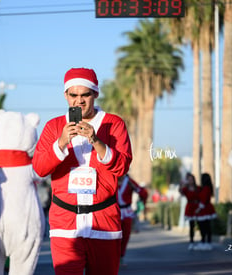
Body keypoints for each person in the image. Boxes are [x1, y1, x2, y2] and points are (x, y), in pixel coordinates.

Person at [32, 67, 133, 275]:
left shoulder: (114, 124)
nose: (79, 101)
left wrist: (96, 141)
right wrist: (61, 143)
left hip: (104, 222)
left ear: (95, 93)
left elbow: (122, 167)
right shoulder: (54, 126)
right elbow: (39, 168)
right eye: (73, 95)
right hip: (65, 223)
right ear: (65, 96)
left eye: (85, 94)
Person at [117, 174, 148, 266]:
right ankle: (113, 258)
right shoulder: (112, 178)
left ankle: (121, 257)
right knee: (113, 236)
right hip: (114, 211)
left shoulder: (129, 181)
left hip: (126, 212)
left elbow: (143, 193)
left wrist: (142, 202)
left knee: (125, 235)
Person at [194, 173, 217, 251]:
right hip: (206, 209)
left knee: (204, 227)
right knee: (206, 227)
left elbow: (204, 200)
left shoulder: (206, 188)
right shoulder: (206, 188)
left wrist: (198, 209)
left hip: (204, 210)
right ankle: (205, 242)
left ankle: (206, 242)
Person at [179, 172, 200, 250]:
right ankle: (191, 241)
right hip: (190, 207)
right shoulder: (186, 189)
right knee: (192, 225)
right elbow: (181, 192)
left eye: (192, 179)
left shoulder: (197, 188)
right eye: (189, 179)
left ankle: (203, 241)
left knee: (200, 224)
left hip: (197, 207)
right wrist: (183, 184)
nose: (191, 181)